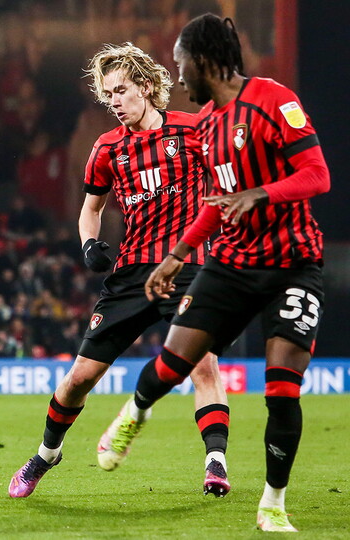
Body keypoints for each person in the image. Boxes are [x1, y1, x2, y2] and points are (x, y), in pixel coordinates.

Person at [103, 15, 329, 532]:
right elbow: (214, 205)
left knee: (282, 391)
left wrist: (261, 194)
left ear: (204, 62)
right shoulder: (206, 124)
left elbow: (317, 174)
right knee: (174, 361)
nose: (177, 78)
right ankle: (134, 414)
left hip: (293, 264)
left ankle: (273, 501)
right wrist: (177, 254)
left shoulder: (274, 99)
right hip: (230, 264)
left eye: (181, 65)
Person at [8, 43, 230, 498]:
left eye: (121, 90)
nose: (114, 101)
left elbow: (228, 179)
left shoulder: (193, 131)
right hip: (130, 275)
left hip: (186, 269)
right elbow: (91, 209)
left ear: (147, 87)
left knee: (202, 364)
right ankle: (46, 455)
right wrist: (89, 243)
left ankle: (216, 465)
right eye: (108, 93)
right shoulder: (107, 147)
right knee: (80, 379)